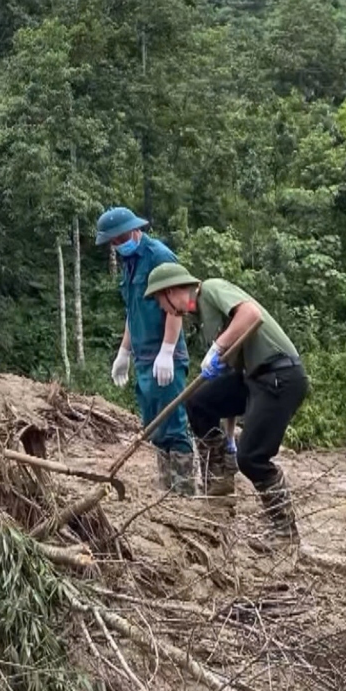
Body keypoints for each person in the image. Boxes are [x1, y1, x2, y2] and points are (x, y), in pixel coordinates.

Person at [144, 263, 308, 542]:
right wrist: (228, 437)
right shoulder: (204, 319)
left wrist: (217, 348)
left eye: (161, 300)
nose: (163, 308)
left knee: (252, 457)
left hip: (279, 376)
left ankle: (284, 531)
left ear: (171, 291)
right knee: (199, 401)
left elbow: (250, 314)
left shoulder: (211, 289)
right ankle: (220, 481)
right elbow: (231, 378)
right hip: (252, 379)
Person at [95, 206, 193, 495]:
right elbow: (132, 310)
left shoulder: (159, 256)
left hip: (166, 356)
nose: (117, 245)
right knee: (154, 426)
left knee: (173, 423)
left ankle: (184, 491)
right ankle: (166, 490)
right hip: (143, 358)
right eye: (113, 242)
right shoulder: (129, 263)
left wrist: (167, 350)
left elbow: (180, 304)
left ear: (133, 231)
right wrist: (124, 352)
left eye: (119, 238)